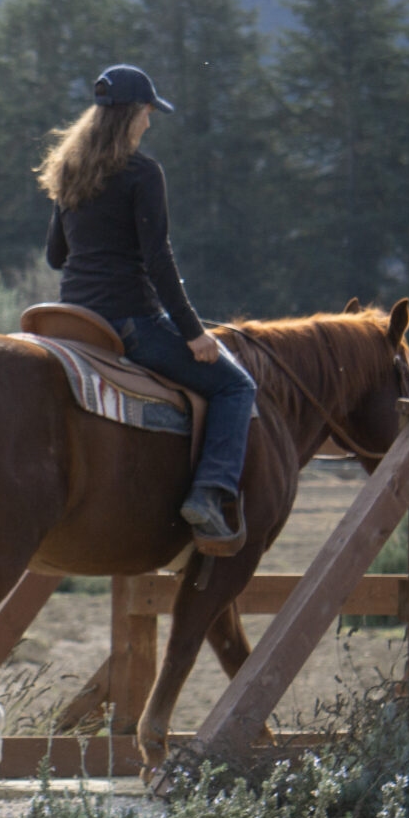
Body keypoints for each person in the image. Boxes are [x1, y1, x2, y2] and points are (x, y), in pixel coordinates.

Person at [39, 64, 256, 547]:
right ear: (133, 114)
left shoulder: (69, 170)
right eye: (147, 113)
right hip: (128, 321)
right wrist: (194, 332)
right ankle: (208, 493)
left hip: (74, 322)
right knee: (236, 387)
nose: (150, 123)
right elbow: (159, 261)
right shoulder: (142, 173)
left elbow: (56, 256)